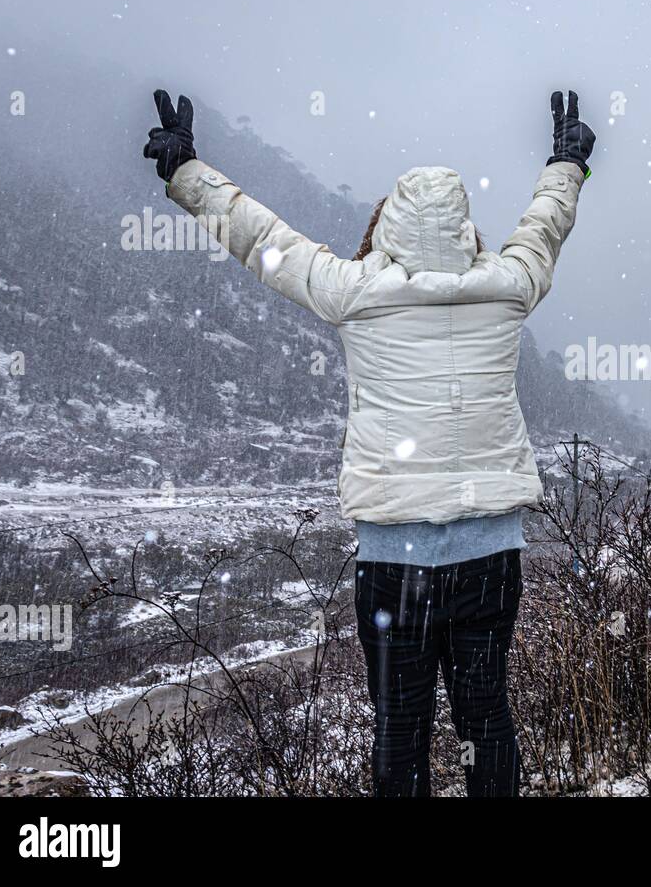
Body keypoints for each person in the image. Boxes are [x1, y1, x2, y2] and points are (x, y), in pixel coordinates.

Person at [142, 88, 595, 796]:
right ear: (466, 230)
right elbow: (544, 228)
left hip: (395, 563)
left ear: (388, 229)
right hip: (489, 557)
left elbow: (264, 239)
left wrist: (186, 172)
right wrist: (565, 161)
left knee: (399, 728)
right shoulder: (507, 286)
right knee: (487, 723)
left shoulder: (355, 291)